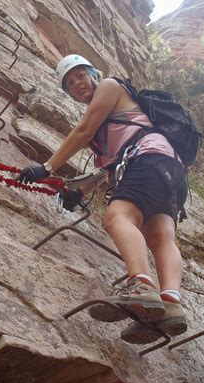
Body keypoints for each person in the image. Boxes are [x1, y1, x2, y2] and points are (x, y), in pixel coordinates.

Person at [18, 54, 188, 344]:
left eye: (80, 76)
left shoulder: (110, 86)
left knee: (117, 216)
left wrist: (47, 168)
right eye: (70, 83)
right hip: (171, 169)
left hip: (146, 159)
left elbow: (83, 131)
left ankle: (141, 286)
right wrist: (78, 192)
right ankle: (171, 305)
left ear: (93, 75)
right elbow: (108, 170)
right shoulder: (114, 128)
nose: (77, 84)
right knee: (161, 237)